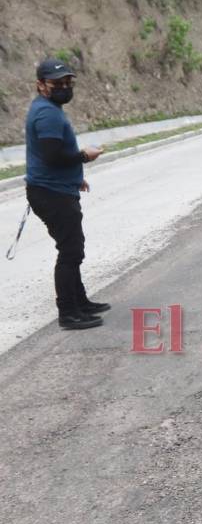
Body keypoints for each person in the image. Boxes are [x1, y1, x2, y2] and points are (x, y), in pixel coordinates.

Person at [25, 58, 108, 330]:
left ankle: (80, 303)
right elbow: (52, 156)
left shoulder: (48, 107)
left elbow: (51, 156)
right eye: (56, 83)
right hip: (51, 194)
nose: (64, 87)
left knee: (72, 248)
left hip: (55, 188)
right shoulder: (47, 113)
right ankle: (68, 313)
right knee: (71, 251)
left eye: (68, 82)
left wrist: (74, 177)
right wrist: (84, 156)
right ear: (41, 85)